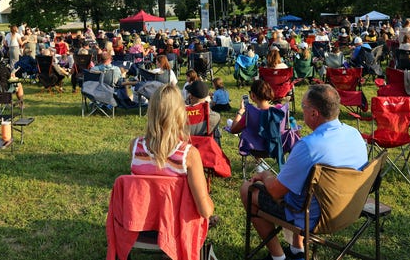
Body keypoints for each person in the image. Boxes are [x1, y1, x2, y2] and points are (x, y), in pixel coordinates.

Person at [240, 84, 367, 260]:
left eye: (303, 107)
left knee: (247, 189)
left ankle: (278, 257)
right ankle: (297, 249)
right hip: (349, 208)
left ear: (314, 113)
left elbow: (276, 191)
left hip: (313, 217)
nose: (303, 110)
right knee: (303, 188)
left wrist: (266, 175)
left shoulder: (308, 146)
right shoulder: (355, 134)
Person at [130, 84, 214, 219]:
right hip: (176, 228)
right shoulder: (189, 154)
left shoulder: (135, 147)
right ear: (180, 114)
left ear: (151, 112)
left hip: (140, 226)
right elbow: (205, 211)